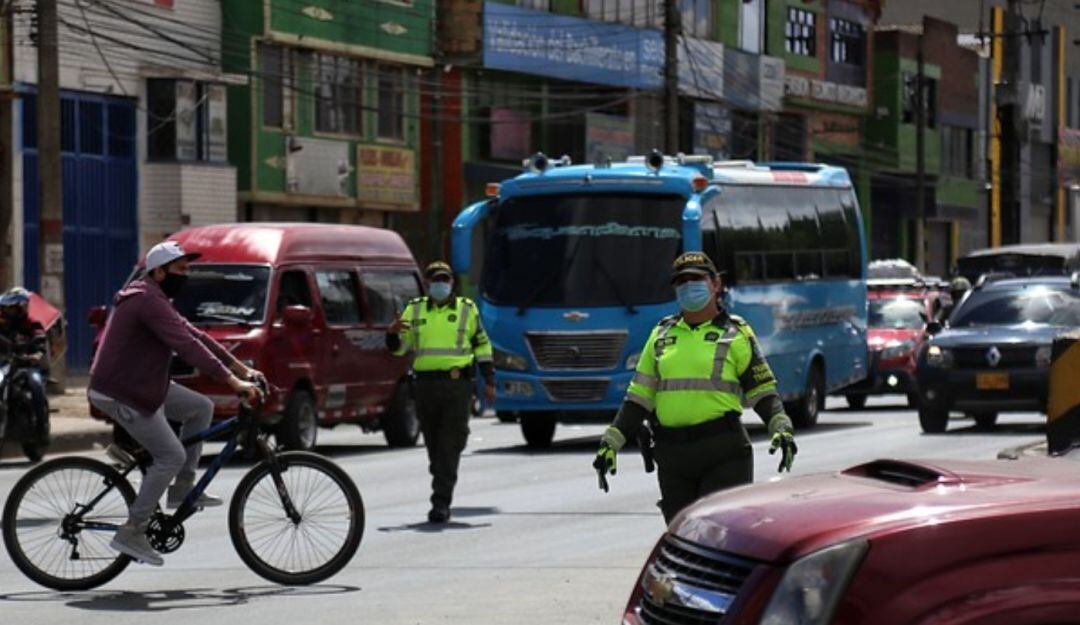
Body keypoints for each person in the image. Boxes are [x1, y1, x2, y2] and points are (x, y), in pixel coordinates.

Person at [88, 241, 264, 566]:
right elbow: (186, 346)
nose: (186, 276)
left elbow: (196, 335)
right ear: (159, 271)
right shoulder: (145, 300)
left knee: (201, 408)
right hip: (120, 390)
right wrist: (233, 382)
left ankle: (182, 489)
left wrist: (242, 369)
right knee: (170, 455)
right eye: (181, 269)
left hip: (141, 383)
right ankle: (132, 530)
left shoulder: (157, 298)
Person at [593, 252, 798, 523]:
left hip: (723, 453)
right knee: (682, 538)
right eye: (682, 282)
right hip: (673, 457)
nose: (689, 286)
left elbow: (761, 390)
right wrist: (612, 440)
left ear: (715, 284)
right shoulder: (662, 334)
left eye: (697, 279)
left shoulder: (736, 332)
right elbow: (639, 397)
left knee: (719, 535)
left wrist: (779, 424)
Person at [386, 261, 495, 524]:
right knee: (434, 446)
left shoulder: (466, 310)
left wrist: (489, 380)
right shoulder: (414, 310)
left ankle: (441, 503)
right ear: (426, 283)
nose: (440, 284)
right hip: (425, 387)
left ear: (452, 283)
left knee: (450, 444)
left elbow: (482, 345)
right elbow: (400, 349)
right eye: (435, 280)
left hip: (458, 386)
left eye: (445, 280)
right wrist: (391, 335)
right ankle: (441, 478)